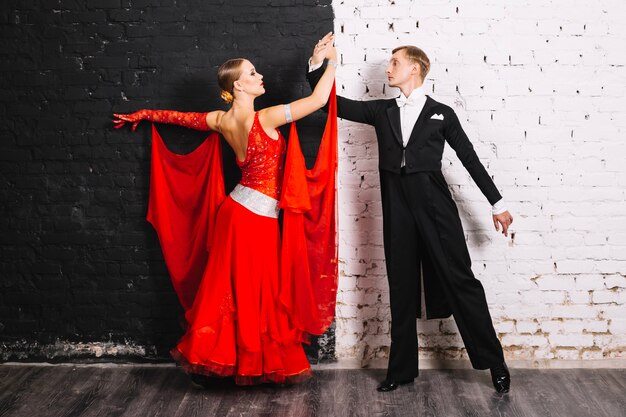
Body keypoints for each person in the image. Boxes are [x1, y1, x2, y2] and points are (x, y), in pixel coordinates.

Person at [113, 33, 339, 385]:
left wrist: (144, 114)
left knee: (234, 291)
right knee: (252, 292)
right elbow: (318, 99)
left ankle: (232, 363)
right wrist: (332, 61)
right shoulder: (265, 119)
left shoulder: (221, 120)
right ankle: (245, 364)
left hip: (236, 212)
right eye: (251, 73)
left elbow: (179, 118)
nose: (259, 76)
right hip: (252, 219)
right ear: (237, 87)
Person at [307, 34, 513, 393]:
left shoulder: (441, 113)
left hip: (434, 205)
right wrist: (318, 65)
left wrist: (498, 204)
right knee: (400, 287)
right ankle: (400, 371)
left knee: (461, 281)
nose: (388, 68)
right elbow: (330, 105)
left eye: (395, 63)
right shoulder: (381, 111)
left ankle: (494, 362)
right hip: (397, 205)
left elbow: (470, 158)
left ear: (414, 69)